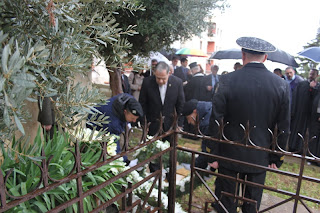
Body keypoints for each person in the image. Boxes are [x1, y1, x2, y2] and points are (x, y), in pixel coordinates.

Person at [209, 37, 290, 212]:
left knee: (225, 204)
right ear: (265, 58)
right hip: (259, 156)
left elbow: (216, 119)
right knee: (251, 205)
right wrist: (277, 157)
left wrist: (212, 153)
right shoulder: (281, 85)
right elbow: (283, 125)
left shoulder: (227, 80)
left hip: (228, 153)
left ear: (243, 55)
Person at [86, 93, 143, 165]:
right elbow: (114, 144)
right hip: (93, 125)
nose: (134, 121)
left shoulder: (128, 100)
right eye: (132, 118)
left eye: (135, 119)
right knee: (102, 149)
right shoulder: (113, 123)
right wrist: (126, 162)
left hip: (103, 114)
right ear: (125, 112)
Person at [139, 61, 185, 137]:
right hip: (153, 123)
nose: (160, 81)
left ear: (169, 73)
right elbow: (142, 103)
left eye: (163, 79)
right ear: (154, 73)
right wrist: (144, 123)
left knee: (169, 147)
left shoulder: (177, 83)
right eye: (158, 78)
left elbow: (181, 104)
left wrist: (179, 124)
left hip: (170, 124)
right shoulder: (147, 82)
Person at [289, 68, 319, 152]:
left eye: (313, 74)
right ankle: (292, 147)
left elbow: (315, 100)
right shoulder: (302, 84)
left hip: (309, 115)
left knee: (305, 132)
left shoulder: (317, 87)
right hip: (299, 112)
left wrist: (312, 89)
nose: (311, 76)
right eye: (310, 74)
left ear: (317, 76)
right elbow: (295, 97)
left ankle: (302, 149)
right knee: (296, 130)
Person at [182, 99, 215, 171]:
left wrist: (195, 165)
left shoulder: (206, 123)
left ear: (195, 111)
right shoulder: (208, 108)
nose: (189, 122)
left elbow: (207, 147)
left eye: (189, 118)